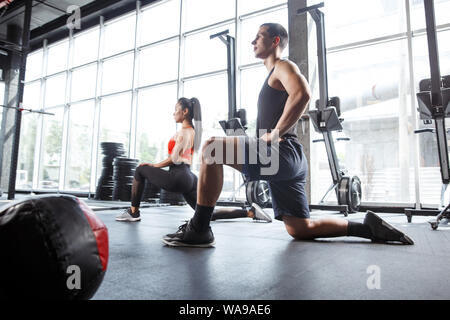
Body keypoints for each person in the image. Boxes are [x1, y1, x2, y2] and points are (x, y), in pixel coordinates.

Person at [162, 23, 414, 247]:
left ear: (275, 42)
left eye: (259, 36)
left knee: (212, 148)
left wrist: (274, 133)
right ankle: (367, 227)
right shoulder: (273, 75)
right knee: (300, 229)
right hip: (288, 161)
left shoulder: (283, 66)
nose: (253, 41)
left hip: (281, 153)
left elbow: (303, 93)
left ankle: (200, 229)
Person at [115, 97, 272, 223]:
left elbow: (175, 158)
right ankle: (250, 212)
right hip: (189, 177)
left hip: (178, 176)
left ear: (185, 111)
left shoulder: (185, 131)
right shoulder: (192, 132)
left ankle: (133, 212)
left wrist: (154, 165)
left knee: (141, 169)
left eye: (176, 110)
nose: (173, 113)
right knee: (206, 213)